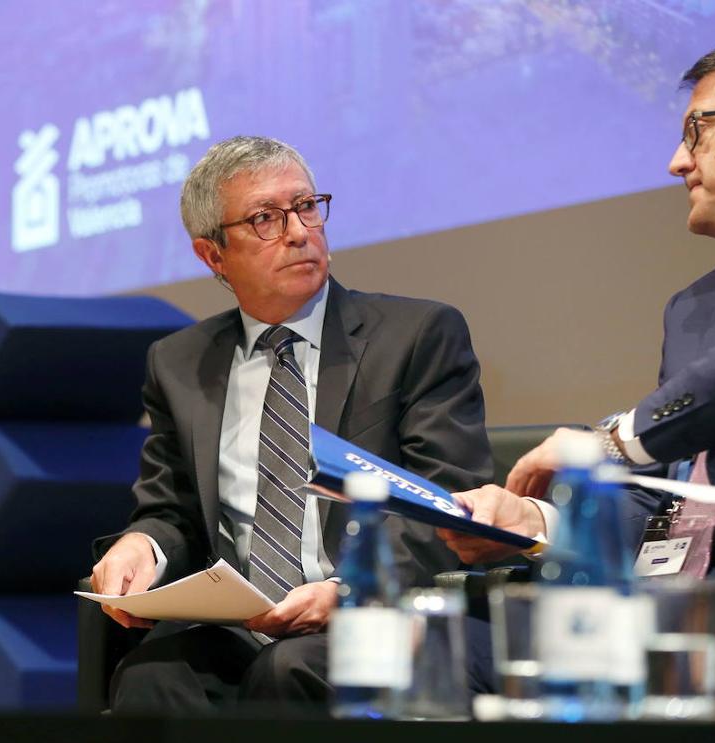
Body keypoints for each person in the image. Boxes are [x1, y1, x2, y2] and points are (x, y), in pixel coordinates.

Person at [89, 135, 493, 713]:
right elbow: (171, 509)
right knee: (152, 676)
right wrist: (143, 545)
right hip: (237, 621)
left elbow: (447, 500)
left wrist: (349, 589)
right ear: (213, 255)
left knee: (289, 671)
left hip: (369, 613)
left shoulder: (417, 335)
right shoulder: (179, 363)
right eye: (265, 219)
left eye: (306, 207)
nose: (300, 231)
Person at [440, 41, 715, 572]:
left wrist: (605, 446)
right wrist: (537, 522)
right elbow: (667, 496)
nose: (677, 162)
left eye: (696, 131)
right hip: (676, 603)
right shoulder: (692, 308)